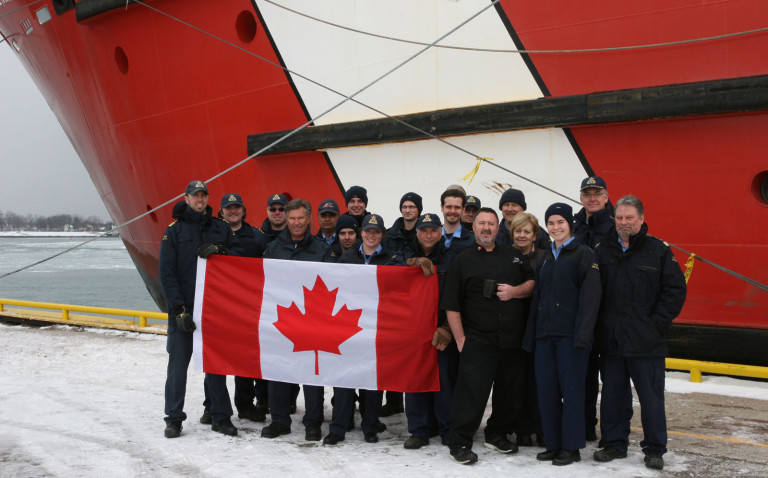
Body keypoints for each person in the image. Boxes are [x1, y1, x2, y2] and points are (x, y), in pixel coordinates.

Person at [592, 195, 686, 471]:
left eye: (629, 218)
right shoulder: (602, 250)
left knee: (651, 398)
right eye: (619, 218)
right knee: (612, 396)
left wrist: (655, 324)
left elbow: (675, 290)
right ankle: (613, 443)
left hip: (647, 343)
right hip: (612, 340)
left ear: (641, 219)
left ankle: (655, 449)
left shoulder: (658, 251)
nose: (624, 223)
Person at [441, 207, 535, 465]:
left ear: (498, 228)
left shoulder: (513, 256)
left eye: (491, 224)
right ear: (474, 227)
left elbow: (532, 283)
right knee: (471, 394)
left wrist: (515, 292)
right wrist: (460, 339)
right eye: (481, 223)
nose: (486, 228)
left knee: (509, 393)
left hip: (511, 340)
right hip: (477, 339)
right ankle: (459, 441)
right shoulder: (462, 259)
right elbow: (452, 304)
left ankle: (497, 433)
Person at [159, 180, 240, 438]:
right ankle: (173, 418)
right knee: (177, 367)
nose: (200, 200)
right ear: (186, 198)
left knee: (215, 366)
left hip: (213, 310)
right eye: (195, 196)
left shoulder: (221, 228)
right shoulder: (174, 232)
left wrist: (222, 249)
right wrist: (179, 310)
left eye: (204, 195)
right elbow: (167, 274)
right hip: (184, 310)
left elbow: (238, 260)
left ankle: (221, 416)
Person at [523, 203, 601, 466]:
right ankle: (553, 443)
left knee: (572, 392)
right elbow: (539, 298)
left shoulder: (583, 254)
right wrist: (531, 335)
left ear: (570, 224)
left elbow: (590, 299)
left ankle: (571, 446)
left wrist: (583, 336)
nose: (556, 227)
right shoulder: (545, 257)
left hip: (571, 336)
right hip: (545, 335)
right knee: (546, 391)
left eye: (560, 222)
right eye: (552, 223)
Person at [323, 214, 402, 445]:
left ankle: (370, 426)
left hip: (377, 328)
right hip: (348, 328)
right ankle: (338, 428)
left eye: (376, 232)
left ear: (382, 235)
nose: (371, 235)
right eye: (368, 231)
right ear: (361, 233)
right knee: (344, 380)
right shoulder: (347, 258)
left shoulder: (392, 260)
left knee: (372, 381)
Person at [261, 199, 330, 442]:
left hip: (313, 319)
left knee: (312, 374)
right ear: (286, 220)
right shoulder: (273, 248)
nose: (296, 223)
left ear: (309, 218)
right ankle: (279, 421)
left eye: (301, 218)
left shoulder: (321, 249)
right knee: (278, 371)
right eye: (292, 219)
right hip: (284, 318)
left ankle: (313, 422)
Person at [198, 193, 268, 425]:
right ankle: (211, 406)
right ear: (221, 211)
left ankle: (245, 405)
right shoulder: (211, 232)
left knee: (244, 360)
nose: (233, 211)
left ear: (243, 210)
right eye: (229, 208)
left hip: (246, 306)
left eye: (237, 207)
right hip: (216, 306)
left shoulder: (257, 237)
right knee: (214, 359)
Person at [401, 213, 458, 449]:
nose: (428, 235)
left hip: (441, 330)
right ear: (417, 233)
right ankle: (419, 431)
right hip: (413, 331)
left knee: (444, 381)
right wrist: (409, 265)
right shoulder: (404, 254)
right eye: (423, 230)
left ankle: (447, 430)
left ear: (440, 233)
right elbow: (389, 277)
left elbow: (457, 294)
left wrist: (447, 327)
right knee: (415, 381)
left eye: (433, 230)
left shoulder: (452, 259)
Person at [573, 176, 615, 442]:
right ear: (581, 198)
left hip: (609, 314)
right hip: (580, 314)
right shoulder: (574, 226)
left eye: (597, 192)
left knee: (612, 380)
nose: (592, 197)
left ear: (606, 196)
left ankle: (612, 435)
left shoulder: (616, 226)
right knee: (583, 376)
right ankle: (586, 426)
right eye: (587, 193)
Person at [381, 191, 423, 417]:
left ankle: (415, 398)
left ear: (419, 210)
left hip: (416, 298)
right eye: (405, 206)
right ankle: (394, 399)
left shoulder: (424, 232)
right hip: (394, 299)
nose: (408, 210)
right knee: (393, 352)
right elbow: (386, 260)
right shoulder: (390, 235)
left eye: (412, 207)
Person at [507, 212, 545, 448]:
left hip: (538, 326)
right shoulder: (504, 256)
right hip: (512, 327)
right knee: (516, 382)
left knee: (539, 381)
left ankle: (541, 427)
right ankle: (521, 429)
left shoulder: (545, 258)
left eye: (526, 231)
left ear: (534, 235)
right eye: (518, 231)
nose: (522, 235)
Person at [440, 189, 475, 253]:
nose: (453, 211)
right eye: (449, 207)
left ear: (463, 209)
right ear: (442, 207)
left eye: (457, 207)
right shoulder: (431, 238)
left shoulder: (472, 241)